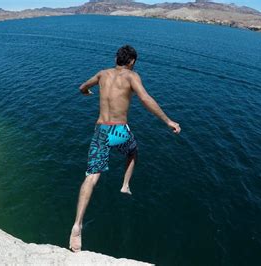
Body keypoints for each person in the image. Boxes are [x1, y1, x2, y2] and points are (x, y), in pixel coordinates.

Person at [69, 45, 181, 252]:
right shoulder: (131, 76)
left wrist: (86, 91)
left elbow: (82, 87)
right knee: (133, 152)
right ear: (132, 62)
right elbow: (146, 99)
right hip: (118, 131)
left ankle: (77, 225)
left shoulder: (102, 74)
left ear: (116, 58)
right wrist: (167, 121)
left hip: (101, 130)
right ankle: (125, 185)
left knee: (92, 176)